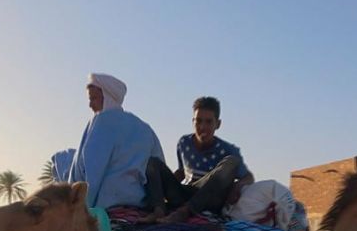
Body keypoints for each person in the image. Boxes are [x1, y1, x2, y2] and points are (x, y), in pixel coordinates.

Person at [140, 96, 254, 223]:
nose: (202, 127)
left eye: (208, 122)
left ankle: (184, 212)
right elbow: (182, 172)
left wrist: (237, 187)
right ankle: (158, 211)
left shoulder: (227, 150)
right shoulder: (184, 143)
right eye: (198, 121)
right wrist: (163, 184)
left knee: (232, 162)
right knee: (153, 162)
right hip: (185, 194)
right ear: (193, 121)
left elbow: (248, 177)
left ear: (218, 124)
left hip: (208, 199)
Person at [70, 73, 165, 209]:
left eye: (93, 98)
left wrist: (81, 209)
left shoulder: (101, 123)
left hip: (106, 210)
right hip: (141, 208)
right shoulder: (145, 128)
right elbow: (159, 166)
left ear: (107, 97)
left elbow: (91, 172)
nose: (90, 105)